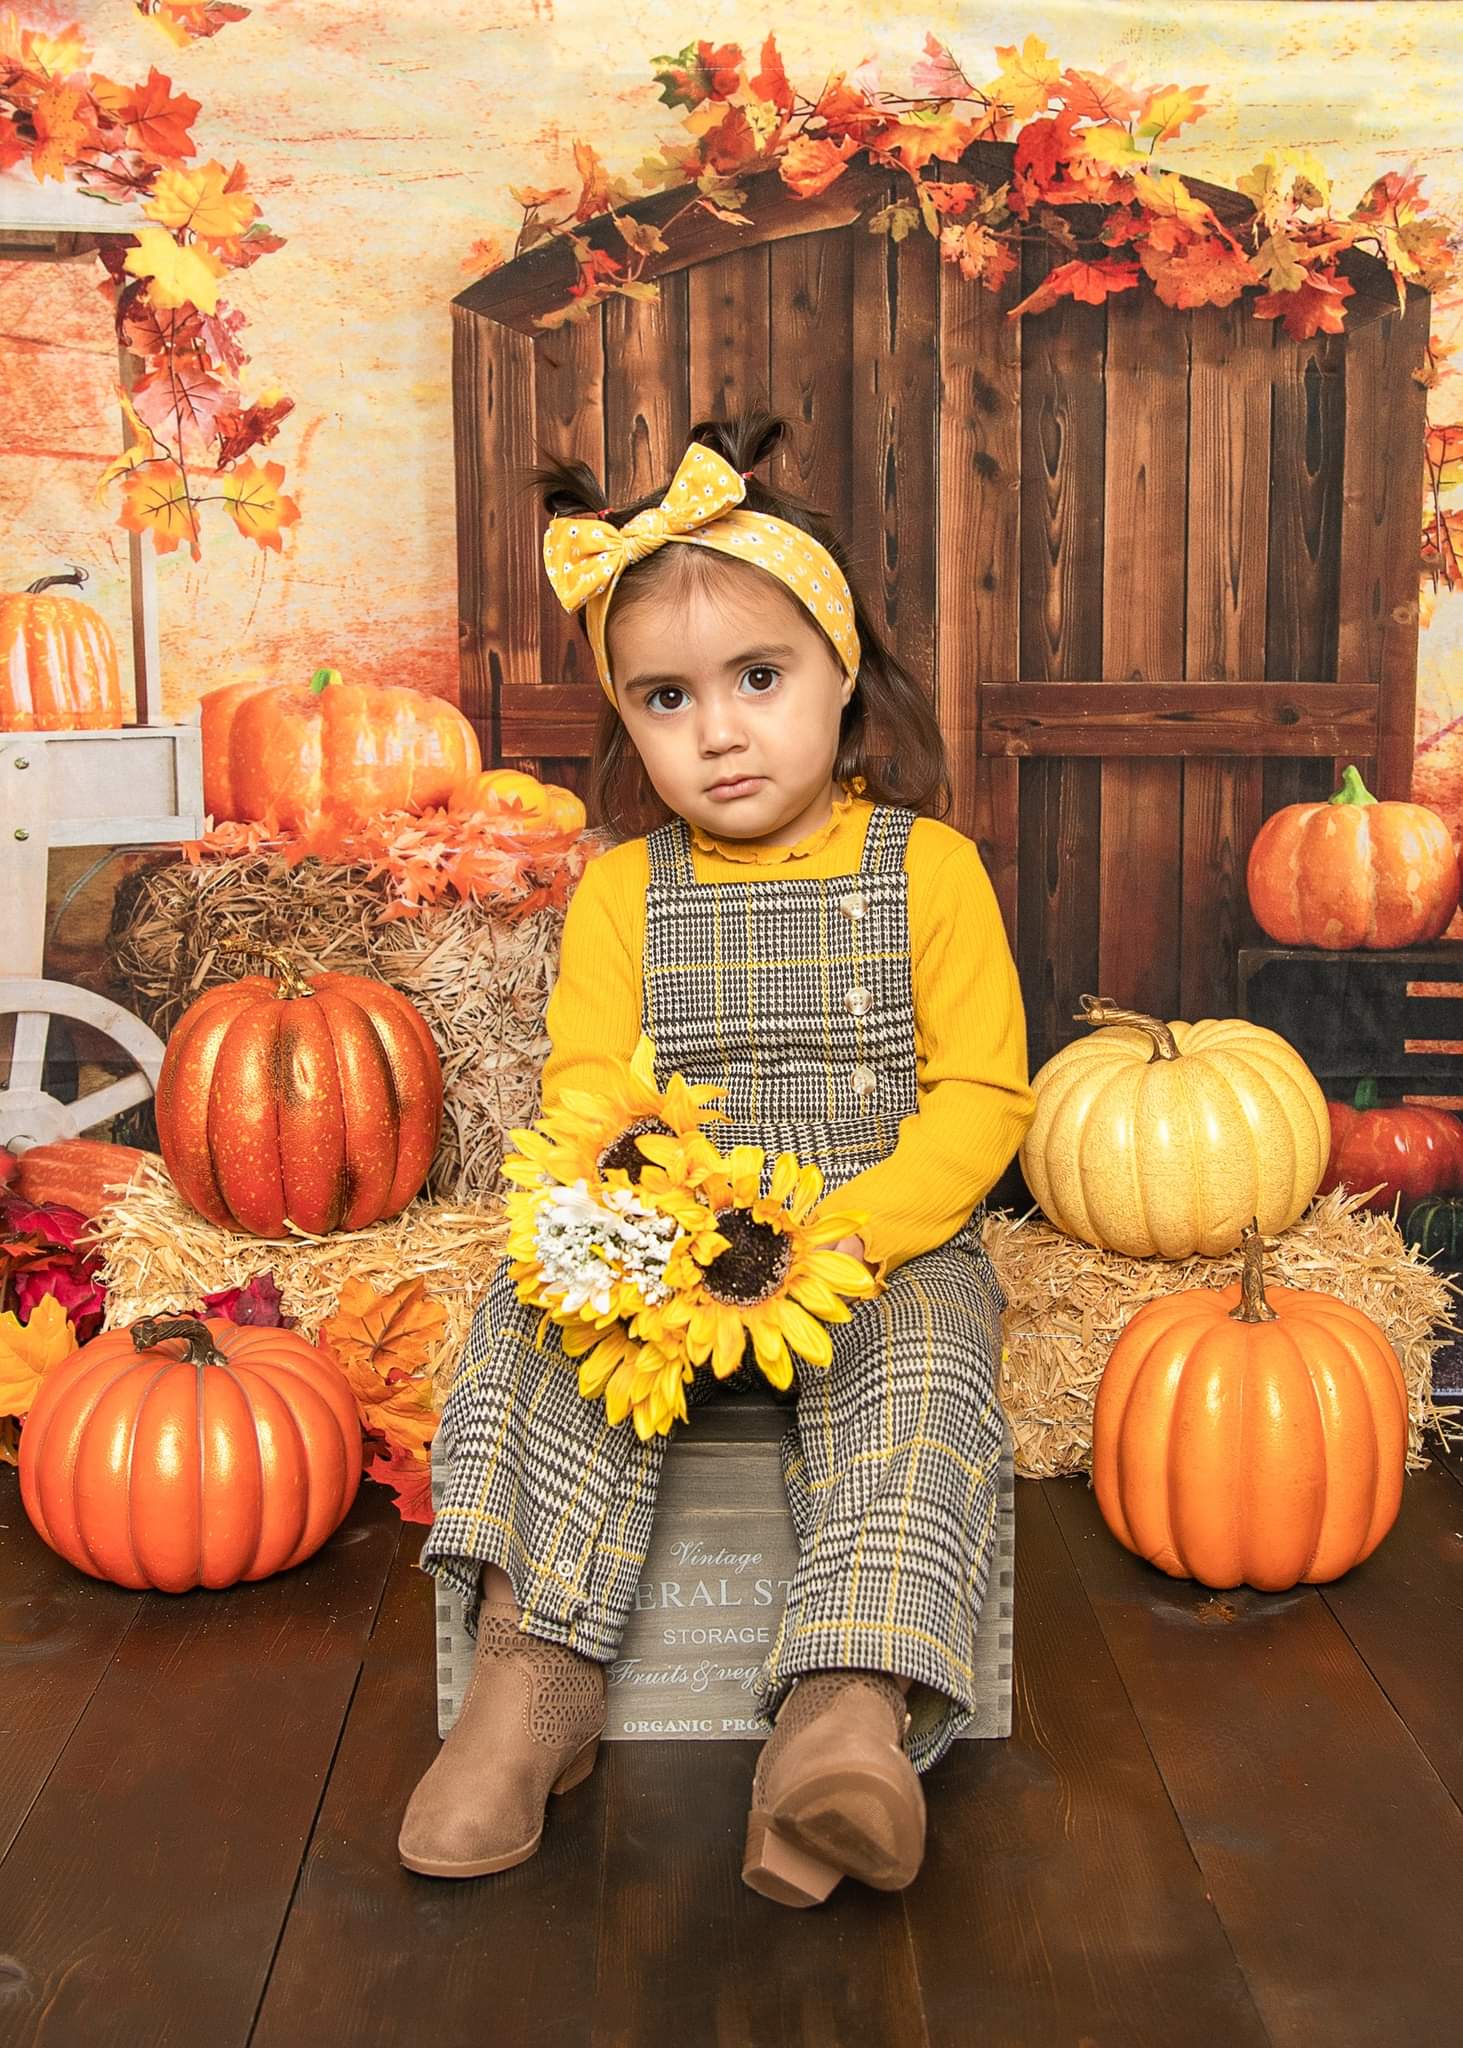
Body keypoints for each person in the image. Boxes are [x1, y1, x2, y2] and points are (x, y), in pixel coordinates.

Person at [399, 409, 1036, 1908]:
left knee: (927, 1376)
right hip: (668, 1237)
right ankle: (528, 1687)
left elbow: (982, 1098)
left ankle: (841, 1718)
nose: (720, 731)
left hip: (872, 1238)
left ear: (843, 681)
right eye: (667, 699)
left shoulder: (927, 872)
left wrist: (857, 1238)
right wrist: (637, 1238)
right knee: (529, 1335)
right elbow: (587, 1093)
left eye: (760, 681)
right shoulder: (624, 892)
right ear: (628, 722)